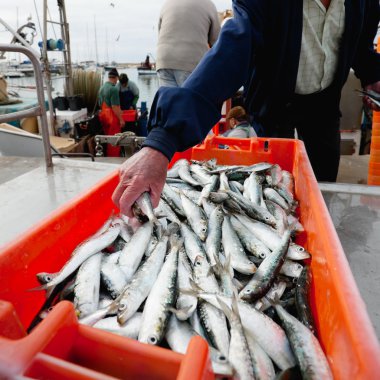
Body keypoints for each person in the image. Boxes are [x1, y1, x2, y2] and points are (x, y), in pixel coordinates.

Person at [113, 0, 380, 216]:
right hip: (273, 103)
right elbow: (231, 51)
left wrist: (372, 75)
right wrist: (162, 141)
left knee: (323, 185)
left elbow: (359, 43)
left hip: (324, 105)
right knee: (269, 189)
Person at [156, 0, 221, 87]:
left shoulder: (168, 3)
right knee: (191, 100)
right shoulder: (209, 4)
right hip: (190, 62)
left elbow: (160, 33)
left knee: (169, 100)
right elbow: (217, 41)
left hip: (163, 61)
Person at [98, 68, 125, 156]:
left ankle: (106, 155)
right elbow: (114, 107)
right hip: (112, 118)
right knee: (115, 140)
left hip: (103, 116)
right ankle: (114, 158)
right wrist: (121, 119)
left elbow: (100, 104)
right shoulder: (113, 89)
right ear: (116, 78)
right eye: (117, 79)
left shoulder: (102, 88)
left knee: (107, 139)